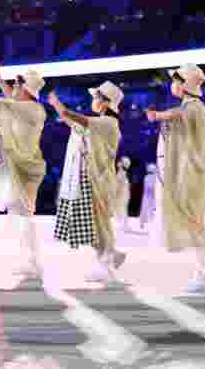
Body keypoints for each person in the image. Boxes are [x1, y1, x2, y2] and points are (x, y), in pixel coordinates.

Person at [145, 64, 205, 294]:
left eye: (177, 80)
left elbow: (179, 114)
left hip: (191, 175)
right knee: (195, 224)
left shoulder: (195, 109)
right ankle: (204, 272)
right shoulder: (190, 108)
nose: (173, 85)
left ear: (185, 84)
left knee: (196, 226)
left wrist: (158, 115)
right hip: (186, 175)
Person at [0, 57, 47, 279]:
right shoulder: (28, 107)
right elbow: (7, 95)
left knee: (23, 215)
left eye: (17, 85)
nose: (13, 87)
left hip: (25, 167)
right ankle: (29, 260)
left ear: (25, 89)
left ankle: (32, 262)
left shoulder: (30, 109)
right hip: (22, 166)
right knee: (19, 214)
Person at [48, 82, 127, 285]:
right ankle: (111, 256)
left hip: (99, 179)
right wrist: (59, 108)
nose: (94, 100)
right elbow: (71, 122)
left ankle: (106, 265)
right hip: (90, 178)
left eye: (97, 97)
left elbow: (74, 118)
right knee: (93, 224)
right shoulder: (99, 123)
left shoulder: (108, 123)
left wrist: (59, 105)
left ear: (106, 102)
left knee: (99, 224)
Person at [114, 157, 132, 232]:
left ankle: (123, 225)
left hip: (122, 194)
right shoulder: (123, 173)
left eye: (120, 162)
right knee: (123, 209)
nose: (118, 163)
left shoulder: (121, 173)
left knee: (122, 209)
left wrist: (116, 193)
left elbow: (119, 185)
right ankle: (124, 225)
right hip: (124, 194)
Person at [139, 164, 158, 232]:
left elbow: (148, 188)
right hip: (149, 196)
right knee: (149, 210)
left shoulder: (147, 177)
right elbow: (151, 188)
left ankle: (143, 223)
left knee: (145, 209)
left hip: (147, 195)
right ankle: (144, 222)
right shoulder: (152, 178)